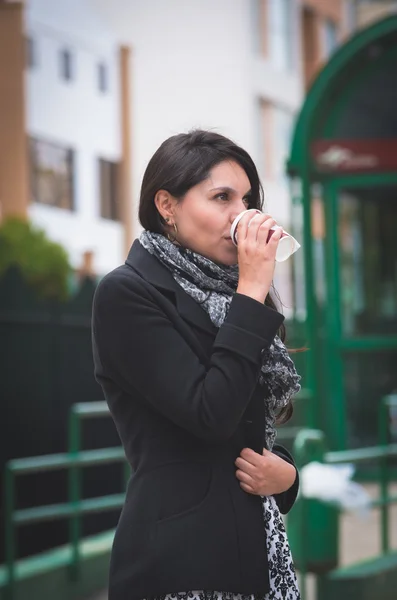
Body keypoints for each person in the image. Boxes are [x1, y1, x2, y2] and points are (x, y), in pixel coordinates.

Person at [92, 130, 302, 600]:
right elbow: (209, 414)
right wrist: (250, 290)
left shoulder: (229, 292)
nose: (242, 215)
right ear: (167, 205)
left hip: (259, 554)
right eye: (222, 197)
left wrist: (287, 474)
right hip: (182, 565)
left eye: (247, 198)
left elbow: (247, 433)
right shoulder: (126, 293)